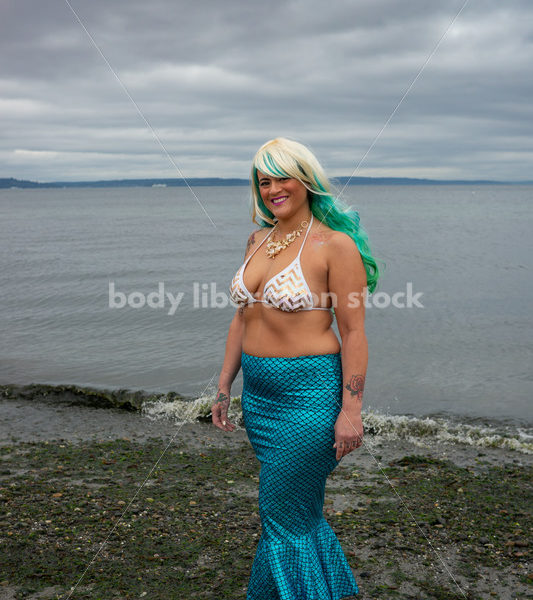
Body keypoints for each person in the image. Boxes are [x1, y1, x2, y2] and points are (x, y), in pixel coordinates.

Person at [211, 137, 380, 600]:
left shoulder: (335, 246)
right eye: (263, 181)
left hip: (309, 398)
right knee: (296, 514)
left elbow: (355, 334)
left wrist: (351, 409)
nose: (272, 189)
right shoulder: (257, 239)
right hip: (260, 399)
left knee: (281, 514)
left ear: (306, 180)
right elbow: (242, 317)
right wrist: (225, 386)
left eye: (282, 177)